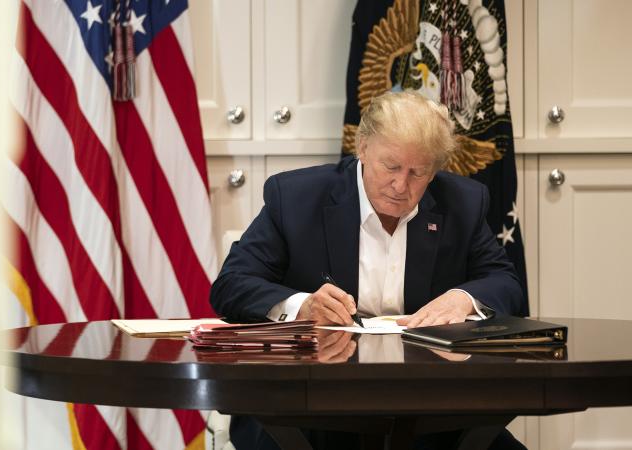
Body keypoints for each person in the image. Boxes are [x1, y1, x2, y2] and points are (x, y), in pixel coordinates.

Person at [210, 91, 526, 450]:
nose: (401, 186)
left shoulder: (463, 203)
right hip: (310, 403)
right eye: (390, 167)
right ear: (362, 148)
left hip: (431, 407)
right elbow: (231, 285)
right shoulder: (295, 197)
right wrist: (302, 306)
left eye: (418, 173)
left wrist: (465, 299)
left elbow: (506, 283)